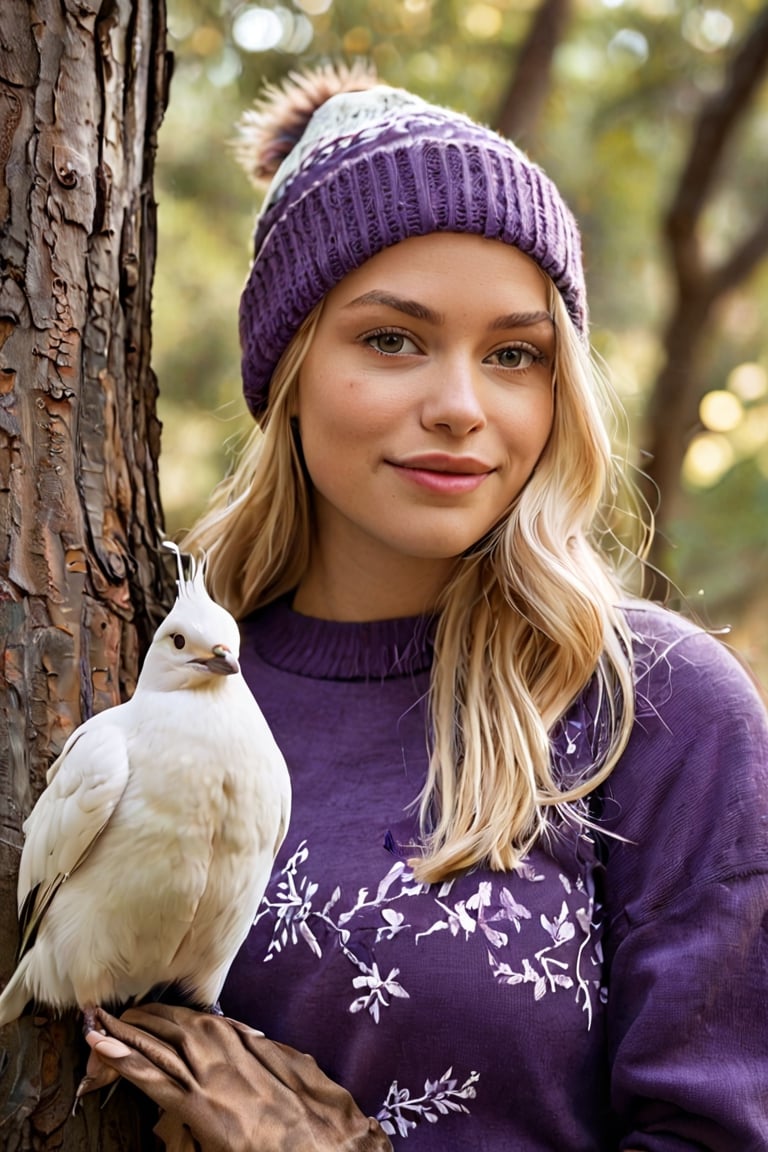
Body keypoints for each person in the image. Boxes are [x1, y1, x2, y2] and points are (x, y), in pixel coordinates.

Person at [84, 64, 768, 1150]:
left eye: (513, 355)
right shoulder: (146, 666)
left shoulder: (654, 710)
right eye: (392, 339)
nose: (459, 406)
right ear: (290, 368)